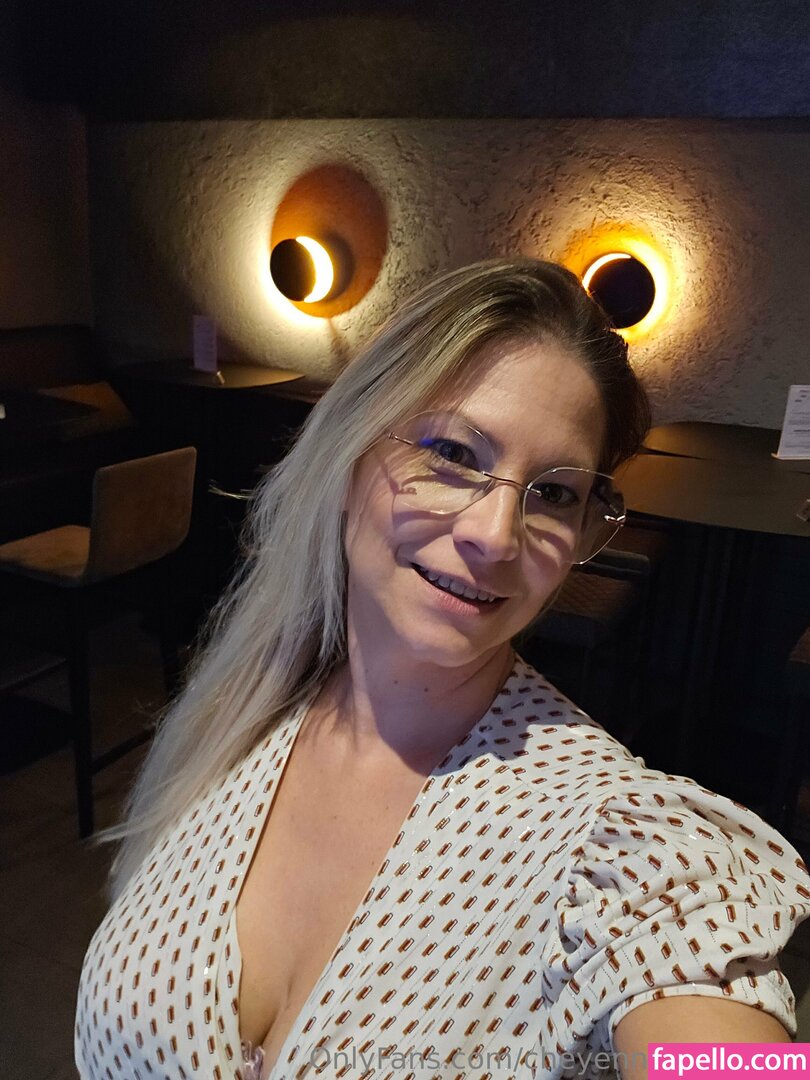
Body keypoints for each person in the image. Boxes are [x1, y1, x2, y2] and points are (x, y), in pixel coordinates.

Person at [75, 259, 810, 1080]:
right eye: (454, 452)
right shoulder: (249, 705)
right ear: (348, 455)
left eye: (555, 494)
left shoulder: (621, 845)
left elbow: (704, 1024)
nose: (496, 536)